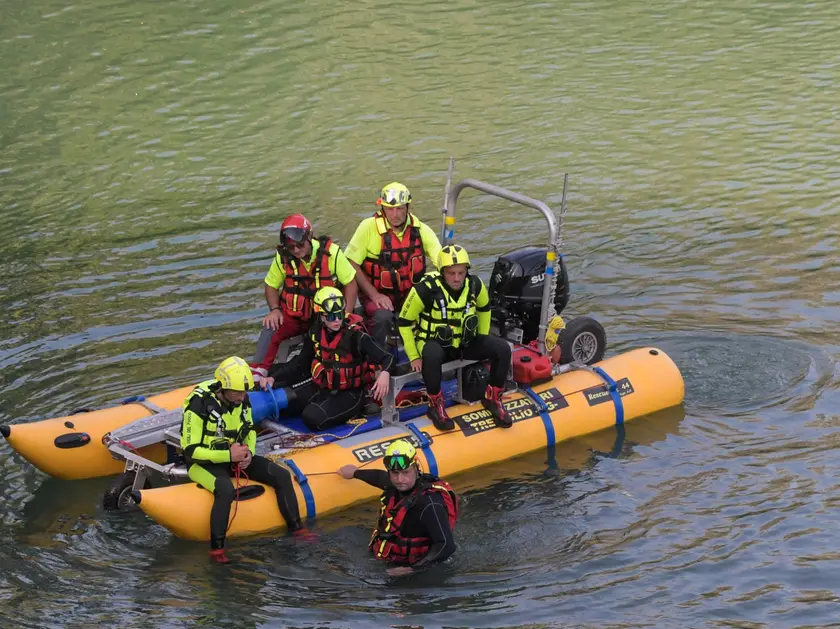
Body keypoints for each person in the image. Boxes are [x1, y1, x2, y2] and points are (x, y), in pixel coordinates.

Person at [180, 356, 309, 563]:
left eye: (244, 392)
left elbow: (249, 430)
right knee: (225, 490)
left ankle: (297, 529)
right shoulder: (199, 405)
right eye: (238, 392)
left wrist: (248, 452)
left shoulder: (242, 400)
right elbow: (190, 451)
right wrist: (228, 455)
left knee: (281, 475)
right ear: (223, 388)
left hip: (237, 456)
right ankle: (217, 550)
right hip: (203, 462)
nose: (242, 397)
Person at [397, 245, 512, 431]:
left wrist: (482, 338)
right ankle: (435, 405)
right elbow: (403, 323)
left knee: (502, 349)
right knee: (432, 354)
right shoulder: (424, 290)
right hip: (436, 343)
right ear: (442, 272)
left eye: (461, 273)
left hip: (464, 342)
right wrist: (413, 356)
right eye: (451, 273)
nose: (457, 278)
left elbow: (484, 309)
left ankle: (493, 398)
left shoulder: (475, 285)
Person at [260, 287, 396, 432]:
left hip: (350, 392)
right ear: (321, 316)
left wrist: (385, 373)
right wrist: (273, 377)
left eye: (340, 315)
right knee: (285, 407)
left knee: (311, 418)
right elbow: (301, 362)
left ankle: (359, 408)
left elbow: (388, 358)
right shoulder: (315, 333)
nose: (337, 320)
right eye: (331, 317)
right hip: (323, 386)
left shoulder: (356, 336)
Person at [254, 214, 358, 371]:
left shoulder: (332, 253)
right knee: (270, 327)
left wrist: (346, 315)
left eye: (300, 245)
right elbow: (271, 285)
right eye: (291, 247)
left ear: (310, 237)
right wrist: (274, 310)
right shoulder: (282, 257)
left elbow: (350, 283)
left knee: (320, 343)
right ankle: (258, 371)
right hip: (294, 317)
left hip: (325, 316)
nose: (296, 250)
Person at [337, 439, 457, 576]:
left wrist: (412, 570)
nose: (400, 480)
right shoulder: (395, 484)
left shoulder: (430, 503)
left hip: (415, 568)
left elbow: (446, 545)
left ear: (416, 468)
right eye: (394, 473)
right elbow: (379, 477)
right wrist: (355, 473)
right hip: (387, 557)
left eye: (405, 472)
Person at [344, 182, 442, 347]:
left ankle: (429, 349)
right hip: (378, 296)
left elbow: (441, 260)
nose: (394, 214)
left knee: (438, 305)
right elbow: (350, 263)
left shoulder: (421, 230)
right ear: (382, 208)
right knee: (383, 318)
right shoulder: (368, 228)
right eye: (390, 209)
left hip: (410, 295)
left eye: (400, 208)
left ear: (408, 207)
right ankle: (378, 358)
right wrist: (374, 294)